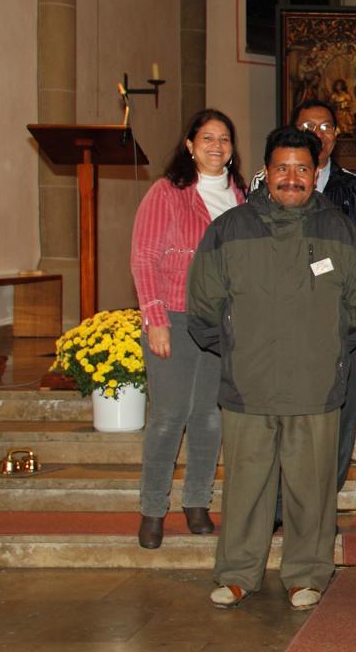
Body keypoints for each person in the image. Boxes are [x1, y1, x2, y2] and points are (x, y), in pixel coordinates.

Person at [188, 126, 356, 612]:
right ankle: (237, 574)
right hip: (248, 386)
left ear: (316, 173)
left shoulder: (339, 231)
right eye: (282, 168)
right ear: (265, 173)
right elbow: (203, 309)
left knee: (311, 490)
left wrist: (326, 353)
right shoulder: (230, 229)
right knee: (246, 488)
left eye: (302, 169)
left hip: (315, 386)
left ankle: (306, 574)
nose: (292, 178)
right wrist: (238, 351)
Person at [250, 99, 356, 503]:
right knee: (282, 414)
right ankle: (280, 504)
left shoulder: (354, 187)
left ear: (336, 136)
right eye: (309, 126)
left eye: (326, 127)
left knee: (338, 417)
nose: (318, 134)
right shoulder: (264, 182)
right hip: (279, 325)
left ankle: (323, 501)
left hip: (337, 323)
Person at [130, 109, 246, 550]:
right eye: (208, 138)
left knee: (209, 417)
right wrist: (155, 319)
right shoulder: (168, 192)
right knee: (168, 416)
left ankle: (197, 502)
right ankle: (152, 509)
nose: (217, 146)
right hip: (175, 317)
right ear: (190, 145)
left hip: (220, 322)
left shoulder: (240, 196)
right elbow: (145, 258)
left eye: (225, 138)